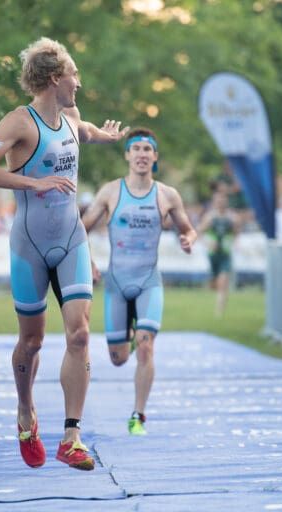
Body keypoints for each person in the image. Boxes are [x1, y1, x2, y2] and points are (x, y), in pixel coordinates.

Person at [0, 37, 129, 471]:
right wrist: (33, 183)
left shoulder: (72, 118)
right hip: (29, 247)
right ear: (56, 78)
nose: (79, 82)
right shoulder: (19, 123)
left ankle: (71, 436)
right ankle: (25, 409)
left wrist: (107, 136)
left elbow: (86, 131)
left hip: (72, 241)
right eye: (74, 75)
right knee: (33, 341)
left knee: (79, 334)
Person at [81, 127, 196, 436]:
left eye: (148, 149)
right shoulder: (110, 192)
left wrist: (187, 239)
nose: (142, 154)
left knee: (146, 348)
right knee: (118, 359)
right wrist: (89, 261)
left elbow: (188, 228)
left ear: (155, 157)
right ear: (127, 155)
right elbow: (81, 229)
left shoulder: (167, 195)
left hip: (148, 282)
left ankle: (138, 416)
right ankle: (132, 330)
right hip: (117, 284)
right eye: (137, 149)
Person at [197, 187, 238, 316]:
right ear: (214, 201)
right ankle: (214, 284)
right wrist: (208, 243)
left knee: (223, 282)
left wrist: (233, 242)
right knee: (214, 284)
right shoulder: (210, 217)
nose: (221, 201)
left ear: (226, 201)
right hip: (212, 254)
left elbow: (236, 234)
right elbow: (198, 233)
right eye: (218, 199)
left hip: (225, 254)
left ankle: (219, 312)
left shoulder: (232, 217)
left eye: (223, 199)